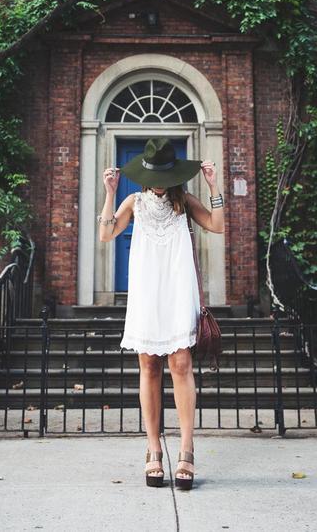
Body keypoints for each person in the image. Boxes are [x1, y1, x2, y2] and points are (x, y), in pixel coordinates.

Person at [97, 137, 224, 490]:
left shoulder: (184, 202)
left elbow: (217, 225)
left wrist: (215, 187)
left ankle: (186, 449)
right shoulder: (134, 202)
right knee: (149, 365)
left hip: (177, 288)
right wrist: (109, 193)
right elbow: (106, 234)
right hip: (146, 291)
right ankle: (153, 449)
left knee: (180, 364)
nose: (159, 181)